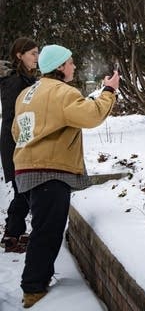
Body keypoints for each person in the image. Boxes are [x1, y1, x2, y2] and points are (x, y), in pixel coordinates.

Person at [12, 44, 119, 308]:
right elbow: (91, 115)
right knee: (46, 232)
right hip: (50, 172)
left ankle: (36, 283)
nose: (74, 66)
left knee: (43, 227)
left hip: (27, 169)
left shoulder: (27, 93)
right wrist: (109, 91)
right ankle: (33, 289)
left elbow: (17, 131)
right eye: (70, 62)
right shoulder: (62, 92)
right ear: (59, 66)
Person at [0, 38, 39, 253]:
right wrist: (21, 144)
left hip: (23, 142)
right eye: (32, 53)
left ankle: (13, 233)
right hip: (15, 143)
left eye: (37, 53)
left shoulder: (27, 79)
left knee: (23, 190)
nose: (36, 57)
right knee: (23, 190)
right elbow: (12, 118)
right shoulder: (15, 82)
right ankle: (11, 234)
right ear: (19, 55)